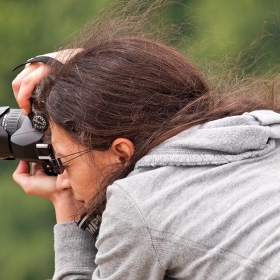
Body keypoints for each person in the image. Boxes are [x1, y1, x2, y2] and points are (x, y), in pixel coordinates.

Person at [11, 1, 280, 279]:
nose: (62, 179)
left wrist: (66, 208)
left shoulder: (137, 204)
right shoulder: (265, 127)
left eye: (63, 162)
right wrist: (87, 74)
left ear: (121, 153)